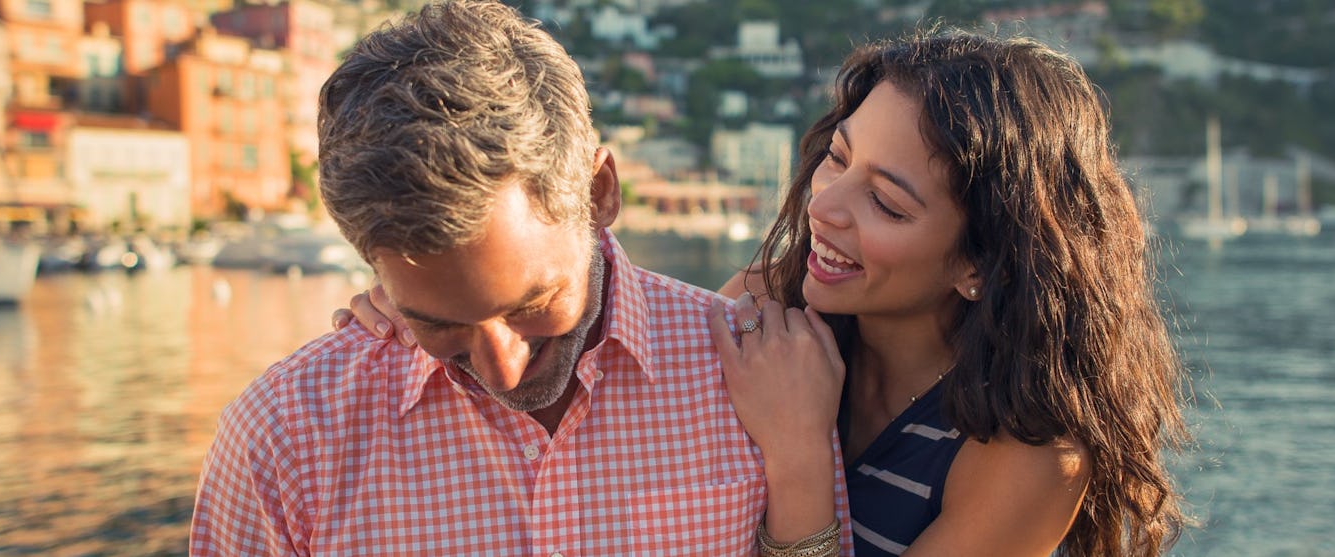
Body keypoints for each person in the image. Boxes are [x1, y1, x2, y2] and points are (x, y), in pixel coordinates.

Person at [343, 30, 1190, 556]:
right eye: (838, 156)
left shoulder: (1031, 451)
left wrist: (795, 454)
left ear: (982, 263)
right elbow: (621, 360)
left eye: (886, 203)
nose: (824, 204)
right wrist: (439, 307)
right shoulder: (769, 307)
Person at [190, 2, 846, 555]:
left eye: (533, 304)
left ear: (600, 192)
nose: (503, 370)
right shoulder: (282, 440)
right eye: (439, 322)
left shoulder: (767, 381)